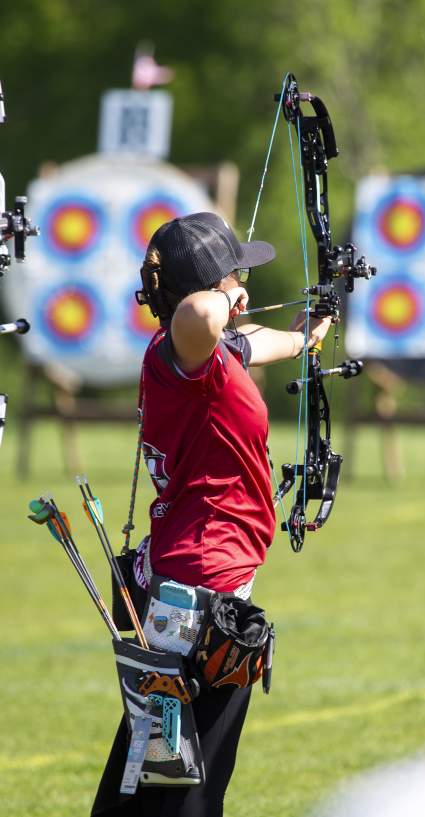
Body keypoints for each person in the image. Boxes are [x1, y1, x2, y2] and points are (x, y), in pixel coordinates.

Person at [91, 211, 332, 817]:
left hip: (183, 579)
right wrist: (224, 297)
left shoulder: (187, 358)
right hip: (204, 595)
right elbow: (203, 317)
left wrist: (305, 336)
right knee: (189, 783)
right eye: (234, 273)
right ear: (207, 287)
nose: (244, 285)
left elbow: (246, 342)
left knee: (153, 760)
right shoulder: (191, 343)